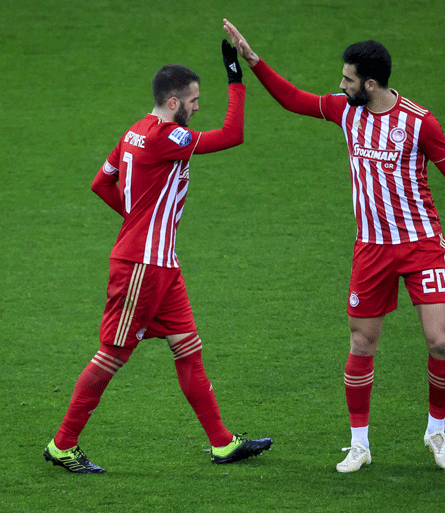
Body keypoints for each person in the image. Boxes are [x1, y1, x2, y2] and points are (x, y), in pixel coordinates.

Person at [222, 19, 445, 472]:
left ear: (370, 84)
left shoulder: (419, 122)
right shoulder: (344, 111)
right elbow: (293, 99)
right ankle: (359, 444)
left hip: (421, 244)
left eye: (348, 79)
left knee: (440, 343)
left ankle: (436, 431)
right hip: (372, 248)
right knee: (361, 342)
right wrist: (253, 60)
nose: (341, 85)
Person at [43, 40, 273, 474]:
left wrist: (139, 220)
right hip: (142, 267)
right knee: (112, 354)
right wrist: (235, 76)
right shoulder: (167, 137)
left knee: (188, 348)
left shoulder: (134, 132)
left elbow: (101, 182)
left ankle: (222, 443)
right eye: (193, 100)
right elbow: (233, 135)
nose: (197, 107)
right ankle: (62, 445)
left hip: (161, 264)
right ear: (173, 102)